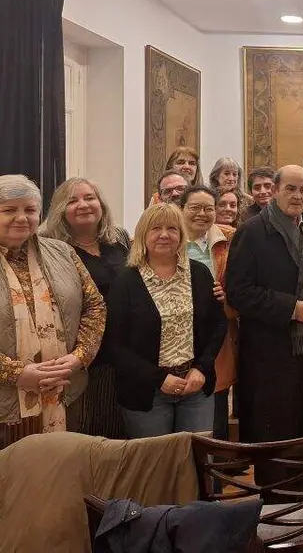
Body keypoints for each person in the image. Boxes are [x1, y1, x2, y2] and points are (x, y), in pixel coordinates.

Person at [225, 165, 303, 497]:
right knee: (274, 440)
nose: (298, 196)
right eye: (290, 189)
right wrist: (290, 308)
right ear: (274, 191)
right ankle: (275, 511)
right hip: (270, 354)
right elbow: (238, 293)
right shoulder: (252, 232)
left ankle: (301, 509)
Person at [0, 175, 106, 450]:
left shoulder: (63, 252)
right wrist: (16, 373)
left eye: (30, 209)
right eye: (9, 210)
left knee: (61, 468)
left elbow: (94, 306)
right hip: (6, 404)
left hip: (66, 392)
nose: (21, 218)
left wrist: (78, 357)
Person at [105, 203, 226, 437]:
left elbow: (217, 325)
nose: (164, 235)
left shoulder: (199, 273)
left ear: (181, 235)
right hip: (147, 392)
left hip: (195, 386)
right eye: (156, 228)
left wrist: (202, 368)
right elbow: (114, 345)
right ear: (143, 235)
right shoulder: (125, 282)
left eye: (172, 228)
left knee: (197, 456)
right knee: (155, 458)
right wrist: (159, 378)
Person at [38, 177, 128, 438]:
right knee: (88, 434)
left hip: (125, 355)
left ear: (101, 204)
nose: (83, 205)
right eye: (72, 200)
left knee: (121, 434)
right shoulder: (49, 249)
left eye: (90, 198)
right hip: (81, 358)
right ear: (60, 210)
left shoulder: (120, 240)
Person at [181, 185, 237, 442]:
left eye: (208, 208)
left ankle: (216, 462)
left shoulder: (229, 240)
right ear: (181, 209)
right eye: (195, 207)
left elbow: (243, 284)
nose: (202, 214)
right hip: (175, 333)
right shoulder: (168, 239)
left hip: (217, 335)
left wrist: (227, 298)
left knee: (215, 408)